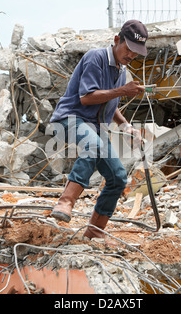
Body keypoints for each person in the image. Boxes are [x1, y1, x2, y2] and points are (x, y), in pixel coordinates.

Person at [49, 20, 148, 241]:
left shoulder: (121, 71)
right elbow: (87, 98)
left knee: (118, 177)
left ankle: (94, 232)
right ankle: (65, 202)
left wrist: (127, 126)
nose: (131, 55)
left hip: (95, 128)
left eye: (136, 53)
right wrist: (122, 90)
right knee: (92, 145)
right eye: (128, 49)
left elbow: (110, 103)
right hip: (69, 119)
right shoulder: (96, 58)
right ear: (116, 40)